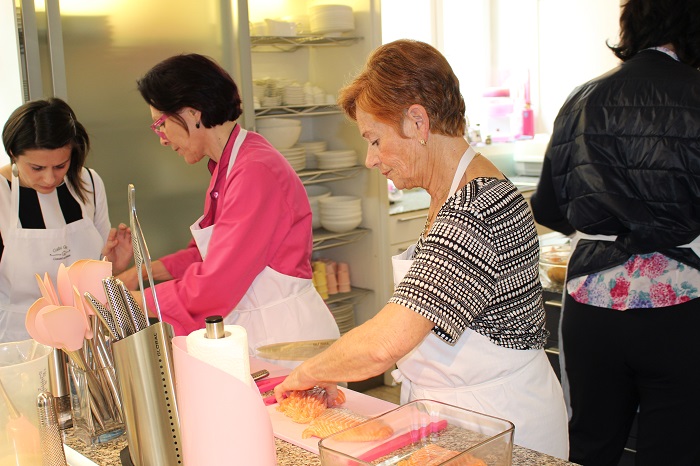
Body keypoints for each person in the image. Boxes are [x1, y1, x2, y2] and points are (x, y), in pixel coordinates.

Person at [273, 39, 569, 458]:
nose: (370, 159)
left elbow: (385, 342)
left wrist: (308, 372)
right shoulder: (450, 195)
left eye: (375, 140)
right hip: (460, 413)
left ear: (417, 121)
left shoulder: (477, 208)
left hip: (500, 421)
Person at [529, 0, 700, 464]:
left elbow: (549, 207)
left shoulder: (582, 98)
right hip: (680, 300)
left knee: (589, 446)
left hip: (592, 302)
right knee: (674, 450)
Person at [112, 53, 339, 362]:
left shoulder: (254, 170)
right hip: (264, 330)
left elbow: (215, 284)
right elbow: (205, 255)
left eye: (160, 124)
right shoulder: (229, 165)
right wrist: (136, 277)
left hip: (285, 338)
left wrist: (134, 301)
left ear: (192, 112)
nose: (162, 139)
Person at [0, 98, 130, 343]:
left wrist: (112, 265)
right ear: (13, 154)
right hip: (19, 340)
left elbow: (97, 271)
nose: (50, 178)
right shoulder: (2, 194)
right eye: (37, 168)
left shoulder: (89, 183)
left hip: (89, 334)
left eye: (60, 166)